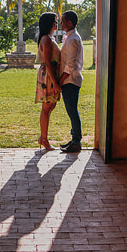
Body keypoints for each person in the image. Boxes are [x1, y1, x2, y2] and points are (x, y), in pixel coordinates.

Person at [34, 11, 62, 151]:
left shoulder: (49, 38)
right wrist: (55, 82)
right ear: (50, 23)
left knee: (50, 106)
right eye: (55, 21)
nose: (57, 24)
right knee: (46, 107)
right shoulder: (46, 39)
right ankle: (43, 139)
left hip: (51, 73)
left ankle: (43, 138)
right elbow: (48, 62)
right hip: (48, 75)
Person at [58, 10, 84, 153]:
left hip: (71, 80)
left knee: (73, 111)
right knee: (71, 111)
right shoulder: (69, 37)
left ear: (69, 22)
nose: (60, 24)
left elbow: (71, 64)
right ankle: (74, 139)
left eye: (62, 21)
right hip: (68, 80)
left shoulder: (73, 39)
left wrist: (59, 81)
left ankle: (76, 141)